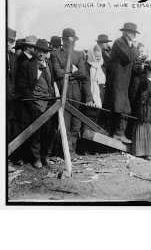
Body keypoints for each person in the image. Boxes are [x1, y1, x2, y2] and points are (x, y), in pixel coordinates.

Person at [51, 28, 93, 152]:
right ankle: (65, 150)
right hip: (64, 91)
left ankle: (72, 149)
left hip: (77, 92)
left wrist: (69, 73)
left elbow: (84, 74)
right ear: (63, 40)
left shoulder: (79, 54)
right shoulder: (56, 54)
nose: (72, 43)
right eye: (69, 40)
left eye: (73, 40)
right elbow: (58, 73)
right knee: (65, 122)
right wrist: (73, 71)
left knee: (76, 123)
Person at [18, 39, 56, 168]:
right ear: (35, 50)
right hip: (34, 103)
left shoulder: (49, 65)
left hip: (48, 103)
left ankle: (45, 156)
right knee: (36, 133)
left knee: (48, 131)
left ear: (47, 53)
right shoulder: (26, 65)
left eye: (44, 52)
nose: (41, 54)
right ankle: (36, 159)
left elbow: (52, 84)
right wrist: (32, 104)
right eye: (39, 51)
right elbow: (23, 87)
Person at [103, 22, 138, 143]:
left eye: (134, 33)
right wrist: (135, 48)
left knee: (124, 108)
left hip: (124, 82)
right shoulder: (119, 43)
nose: (134, 35)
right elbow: (128, 57)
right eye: (132, 33)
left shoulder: (127, 45)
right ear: (125, 32)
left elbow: (131, 62)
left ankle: (119, 133)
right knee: (119, 107)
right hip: (117, 81)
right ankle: (116, 133)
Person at [7, 27, 18, 142]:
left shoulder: (14, 57)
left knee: (10, 124)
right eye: (7, 40)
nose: (8, 43)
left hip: (11, 98)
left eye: (11, 41)